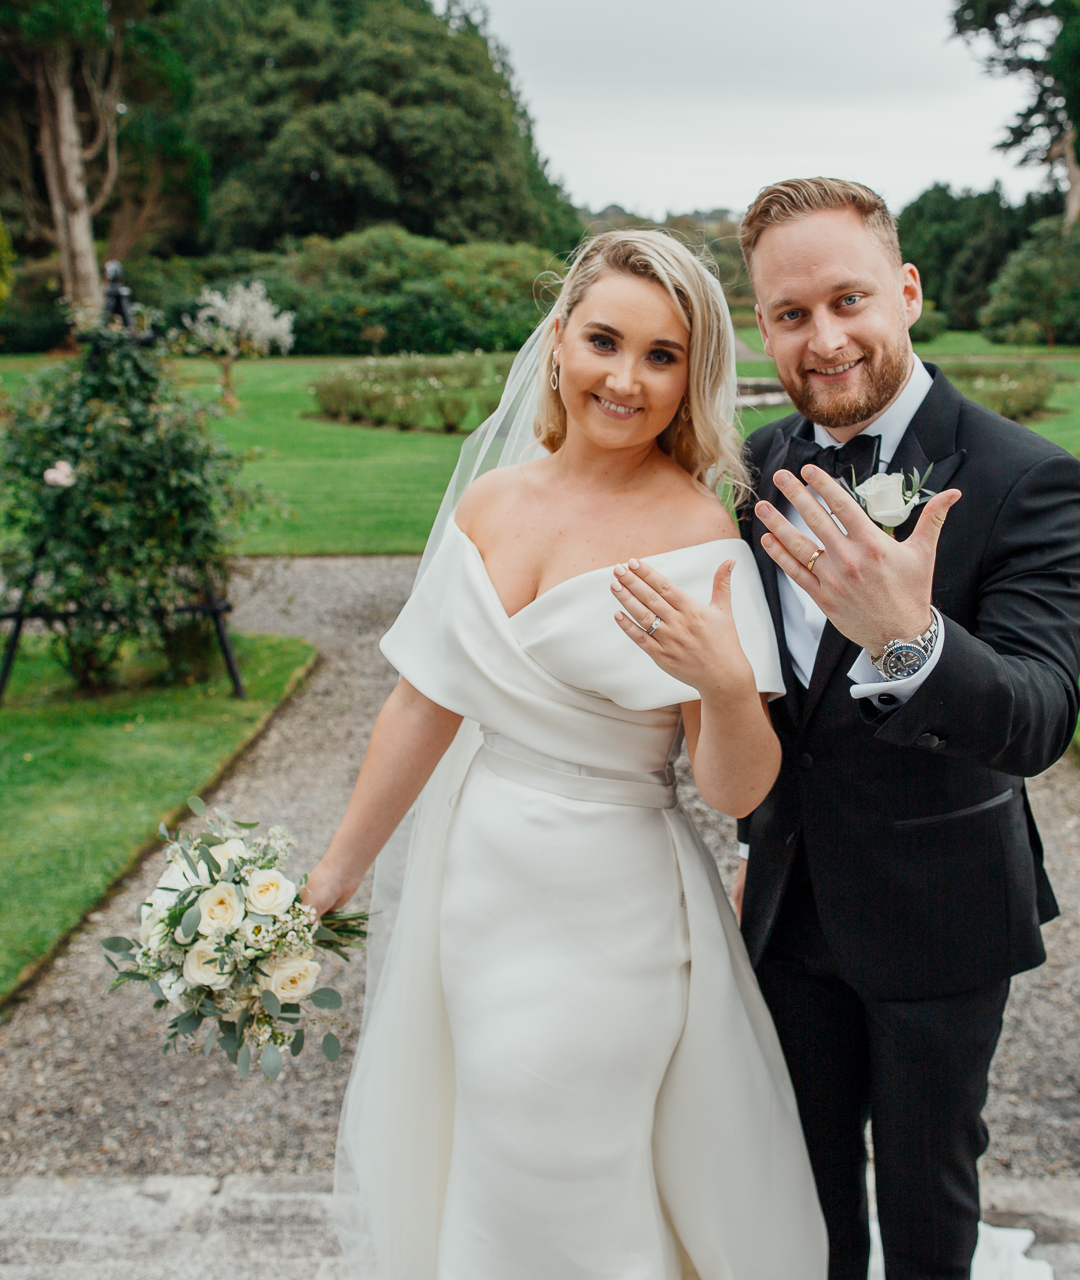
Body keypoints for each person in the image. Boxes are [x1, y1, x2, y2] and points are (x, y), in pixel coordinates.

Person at [302, 229, 827, 1279]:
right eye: (604, 340)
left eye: (662, 355)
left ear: (692, 378)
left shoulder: (700, 540)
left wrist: (724, 683)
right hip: (484, 882)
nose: (625, 379)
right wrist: (334, 874)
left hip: (614, 905)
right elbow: (422, 704)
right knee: (491, 1144)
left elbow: (738, 790)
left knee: (573, 1156)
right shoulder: (493, 503)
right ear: (558, 341)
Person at [730, 178, 1080, 1280]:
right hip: (789, 904)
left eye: (849, 300)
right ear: (764, 327)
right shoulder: (750, 469)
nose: (825, 337)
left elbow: (1038, 717)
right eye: (791, 315)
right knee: (803, 1184)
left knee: (929, 1194)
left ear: (908, 290)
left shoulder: (1026, 476)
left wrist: (911, 638)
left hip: (942, 907)